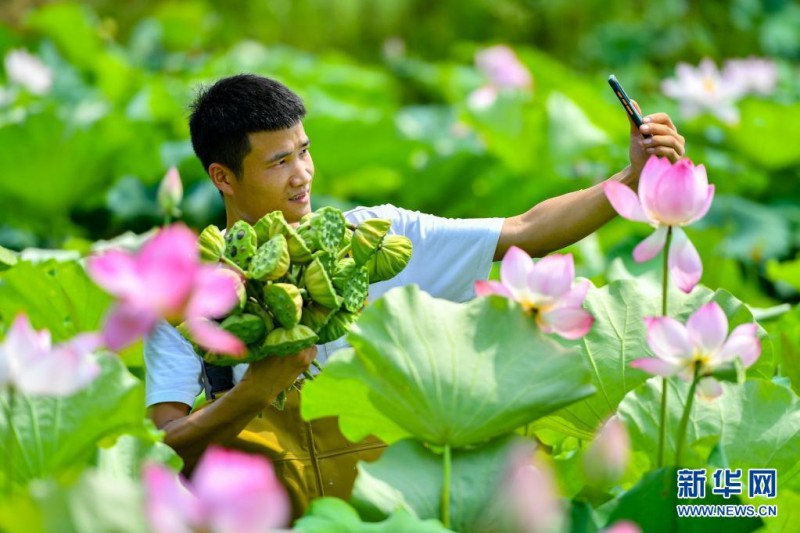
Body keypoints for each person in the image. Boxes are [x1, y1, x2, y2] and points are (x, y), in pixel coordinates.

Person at [145, 73, 685, 516]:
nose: (302, 176)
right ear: (223, 177)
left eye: (304, 152)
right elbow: (166, 452)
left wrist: (632, 177)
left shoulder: (378, 239)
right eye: (278, 162)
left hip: (400, 520)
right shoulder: (184, 291)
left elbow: (526, 231)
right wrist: (255, 392)